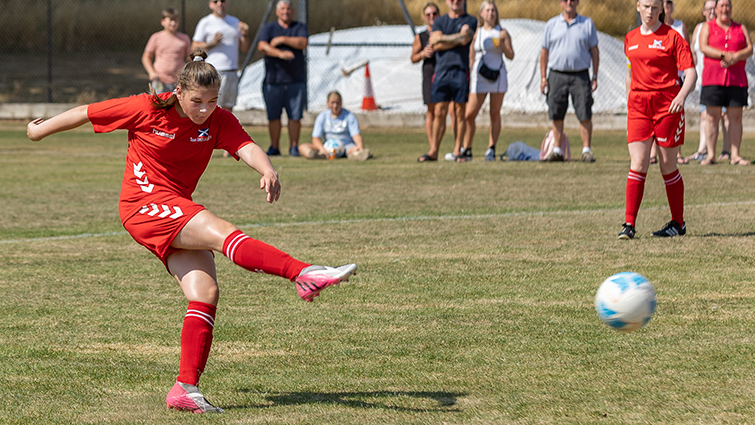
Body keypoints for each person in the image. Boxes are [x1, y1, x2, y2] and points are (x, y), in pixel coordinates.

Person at [25, 50, 357, 414]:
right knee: (221, 231)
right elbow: (86, 112)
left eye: (212, 101)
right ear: (179, 92)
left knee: (205, 291)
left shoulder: (217, 120)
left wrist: (268, 169)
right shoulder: (147, 108)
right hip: (143, 204)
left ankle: (185, 388)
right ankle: (303, 273)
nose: (204, 109)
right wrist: (38, 130)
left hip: (173, 204)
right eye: (197, 101)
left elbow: (244, 145)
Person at [619, 0, 696, 239]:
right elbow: (630, 73)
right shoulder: (630, 38)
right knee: (639, 163)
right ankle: (629, 225)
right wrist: (630, 99)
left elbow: (691, 72)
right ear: (637, 7)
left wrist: (682, 96)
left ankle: (678, 223)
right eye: (646, 6)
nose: (650, 12)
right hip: (639, 107)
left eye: (654, 7)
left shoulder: (672, 37)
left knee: (667, 166)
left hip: (667, 106)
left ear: (661, 9)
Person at [417, 0, 477, 163]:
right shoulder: (439, 21)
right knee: (439, 112)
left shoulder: (470, 20)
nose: (455, 1)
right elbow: (434, 43)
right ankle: (434, 150)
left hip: (460, 70)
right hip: (441, 71)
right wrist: (456, 37)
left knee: (459, 112)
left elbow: (466, 39)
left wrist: (444, 39)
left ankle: (458, 150)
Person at [540, 0, 599, 163]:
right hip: (556, 74)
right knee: (556, 112)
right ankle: (557, 150)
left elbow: (594, 51)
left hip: (580, 75)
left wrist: (595, 75)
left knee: (584, 112)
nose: (569, 3)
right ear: (560, 3)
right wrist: (543, 78)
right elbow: (544, 52)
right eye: (566, 0)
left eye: (573, 0)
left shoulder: (587, 24)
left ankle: (586, 150)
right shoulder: (552, 25)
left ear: (577, 2)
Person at [698, 0, 752, 166]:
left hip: (736, 80)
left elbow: (749, 48)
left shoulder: (740, 28)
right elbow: (703, 47)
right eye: (721, 6)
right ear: (715, 9)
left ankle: (735, 155)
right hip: (713, 79)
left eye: (727, 6)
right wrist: (724, 54)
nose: (724, 9)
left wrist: (735, 56)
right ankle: (711, 155)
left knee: (735, 117)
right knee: (712, 117)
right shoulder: (708, 27)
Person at [463, 0, 514, 162]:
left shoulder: (502, 32)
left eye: (493, 10)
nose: (491, 13)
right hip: (479, 77)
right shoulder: (477, 32)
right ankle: (467, 148)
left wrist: (502, 47)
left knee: (494, 113)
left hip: (497, 76)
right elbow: (472, 54)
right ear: (482, 13)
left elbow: (511, 55)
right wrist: (469, 73)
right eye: (488, 10)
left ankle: (491, 148)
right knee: (469, 114)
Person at [257, 0, 308, 158]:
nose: (285, 11)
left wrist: (282, 40)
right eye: (282, 8)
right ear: (277, 11)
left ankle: (294, 147)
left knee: (295, 116)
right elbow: (262, 46)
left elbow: (303, 42)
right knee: (274, 116)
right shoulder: (269, 28)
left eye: (288, 8)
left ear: (292, 11)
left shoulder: (299, 27)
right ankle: (274, 147)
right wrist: (280, 53)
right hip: (273, 81)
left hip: (295, 80)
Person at [686, 0, 732, 162]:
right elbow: (693, 52)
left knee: (725, 115)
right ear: (704, 12)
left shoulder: (723, 28)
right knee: (705, 115)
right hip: (704, 78)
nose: (712, 12)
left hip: (723, 78)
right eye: (709, 9)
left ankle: (726, 151)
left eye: (715, 8)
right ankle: (702, 150)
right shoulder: (699, 29)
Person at [650, 0, 691, 164]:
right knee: (653, 116)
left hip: (676, 79)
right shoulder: (650, 30)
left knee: (675, 116)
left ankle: (677, 152)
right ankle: (653, 152)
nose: (666, 7)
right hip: (656, 81)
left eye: (668, 3)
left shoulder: (679, 28)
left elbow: (687, 52)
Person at [192, 0, 251, 110]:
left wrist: (244, 35)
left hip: (232, 72)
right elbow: (194, 47)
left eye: (222, 1)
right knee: (212, 108)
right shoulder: (205, 22)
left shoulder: (234, 21)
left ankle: (224, 128)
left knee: (228, 109)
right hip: (214, 72)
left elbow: (245, 48)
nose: (220, 4)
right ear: (210, 4)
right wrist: (212, 43)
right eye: (216, 1)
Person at [298, 91, 371, 161]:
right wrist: (322, 149)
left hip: (346, 147)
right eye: (332, 103)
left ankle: (357, 154)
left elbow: (356, 135)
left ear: (341, 103)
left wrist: (360, 147)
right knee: (302, 147)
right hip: (327, 147)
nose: (335, 106)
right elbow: (315, 138)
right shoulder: (322, 116)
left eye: (337, 103)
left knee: (356, 149)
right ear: (328, 103)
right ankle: (317, 155)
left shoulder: (349, 116)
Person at [412, 2, 441, 161]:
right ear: (424, 17)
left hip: (444, 73)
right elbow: (413, 58)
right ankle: (432, 147)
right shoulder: (421, 36)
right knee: (431, 111)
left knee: (443, 111)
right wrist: (423, 53)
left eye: (434, 14)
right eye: (428, 14)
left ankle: (442, 146)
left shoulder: (444, 32)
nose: (431, 17)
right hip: (429, 73)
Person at [142, 8, 192, 94]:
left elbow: (190, 59)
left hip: (179, 82)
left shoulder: (184, 38)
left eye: (176, 21)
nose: (173, 23)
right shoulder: (156, 37)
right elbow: (146, 57)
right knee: (159, 105)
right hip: (160, 81)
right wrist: (151, 72)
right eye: (171, 20)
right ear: (163, 21)